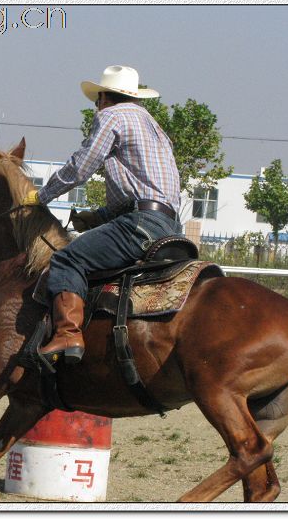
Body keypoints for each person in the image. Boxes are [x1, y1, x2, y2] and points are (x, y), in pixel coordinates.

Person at [22, 65, 184, 366]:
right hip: (170, 226)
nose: (97, 106)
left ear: (103, 99)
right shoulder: (154, 125)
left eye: (97, 100)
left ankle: (68, 335)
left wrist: (40, 196)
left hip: (140, 225)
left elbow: (81, 167)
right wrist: (97, 217)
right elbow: (143, 191)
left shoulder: (111, 116)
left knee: (67, 259)